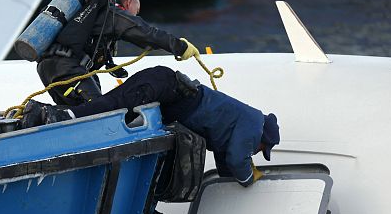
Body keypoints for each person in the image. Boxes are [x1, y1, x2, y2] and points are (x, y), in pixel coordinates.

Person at [21, 66, 280, 187]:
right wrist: (248, 179)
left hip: (166, 85)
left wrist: (230, 179)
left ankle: (45, 114)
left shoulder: (244, 121)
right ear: (263, 139)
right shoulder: (253, 125)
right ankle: (52, 115)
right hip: (167, 87)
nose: (257, 153)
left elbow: (225, 160)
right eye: (261, 150)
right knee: (111, 108)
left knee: (111, 106)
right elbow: (237, 158)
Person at [36, 0, 200, 106]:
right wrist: (181, 47)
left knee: (75, 113)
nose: (136, 15)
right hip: (67, 68)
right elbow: (147, 32)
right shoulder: (114, 14)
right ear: (129, 3)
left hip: (49, 68)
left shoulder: (95, 17)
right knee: (99, 112)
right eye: (137, 10)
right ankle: (33, 111)